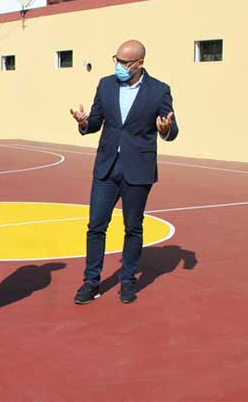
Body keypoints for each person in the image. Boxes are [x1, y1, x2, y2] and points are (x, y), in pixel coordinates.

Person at [70, 39, 179, 305]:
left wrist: (165, 129)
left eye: (124, 62)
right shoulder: (106, 84)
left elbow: (172, 129)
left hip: (137, 168)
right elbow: (96, 121)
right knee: (96, 226)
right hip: (106, 166)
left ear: (139, 64)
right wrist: (84, 122)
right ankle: (91, 282)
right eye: (116, 60)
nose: (118, 66)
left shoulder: (159, 90)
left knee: (133, 227)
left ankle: (128, 282)